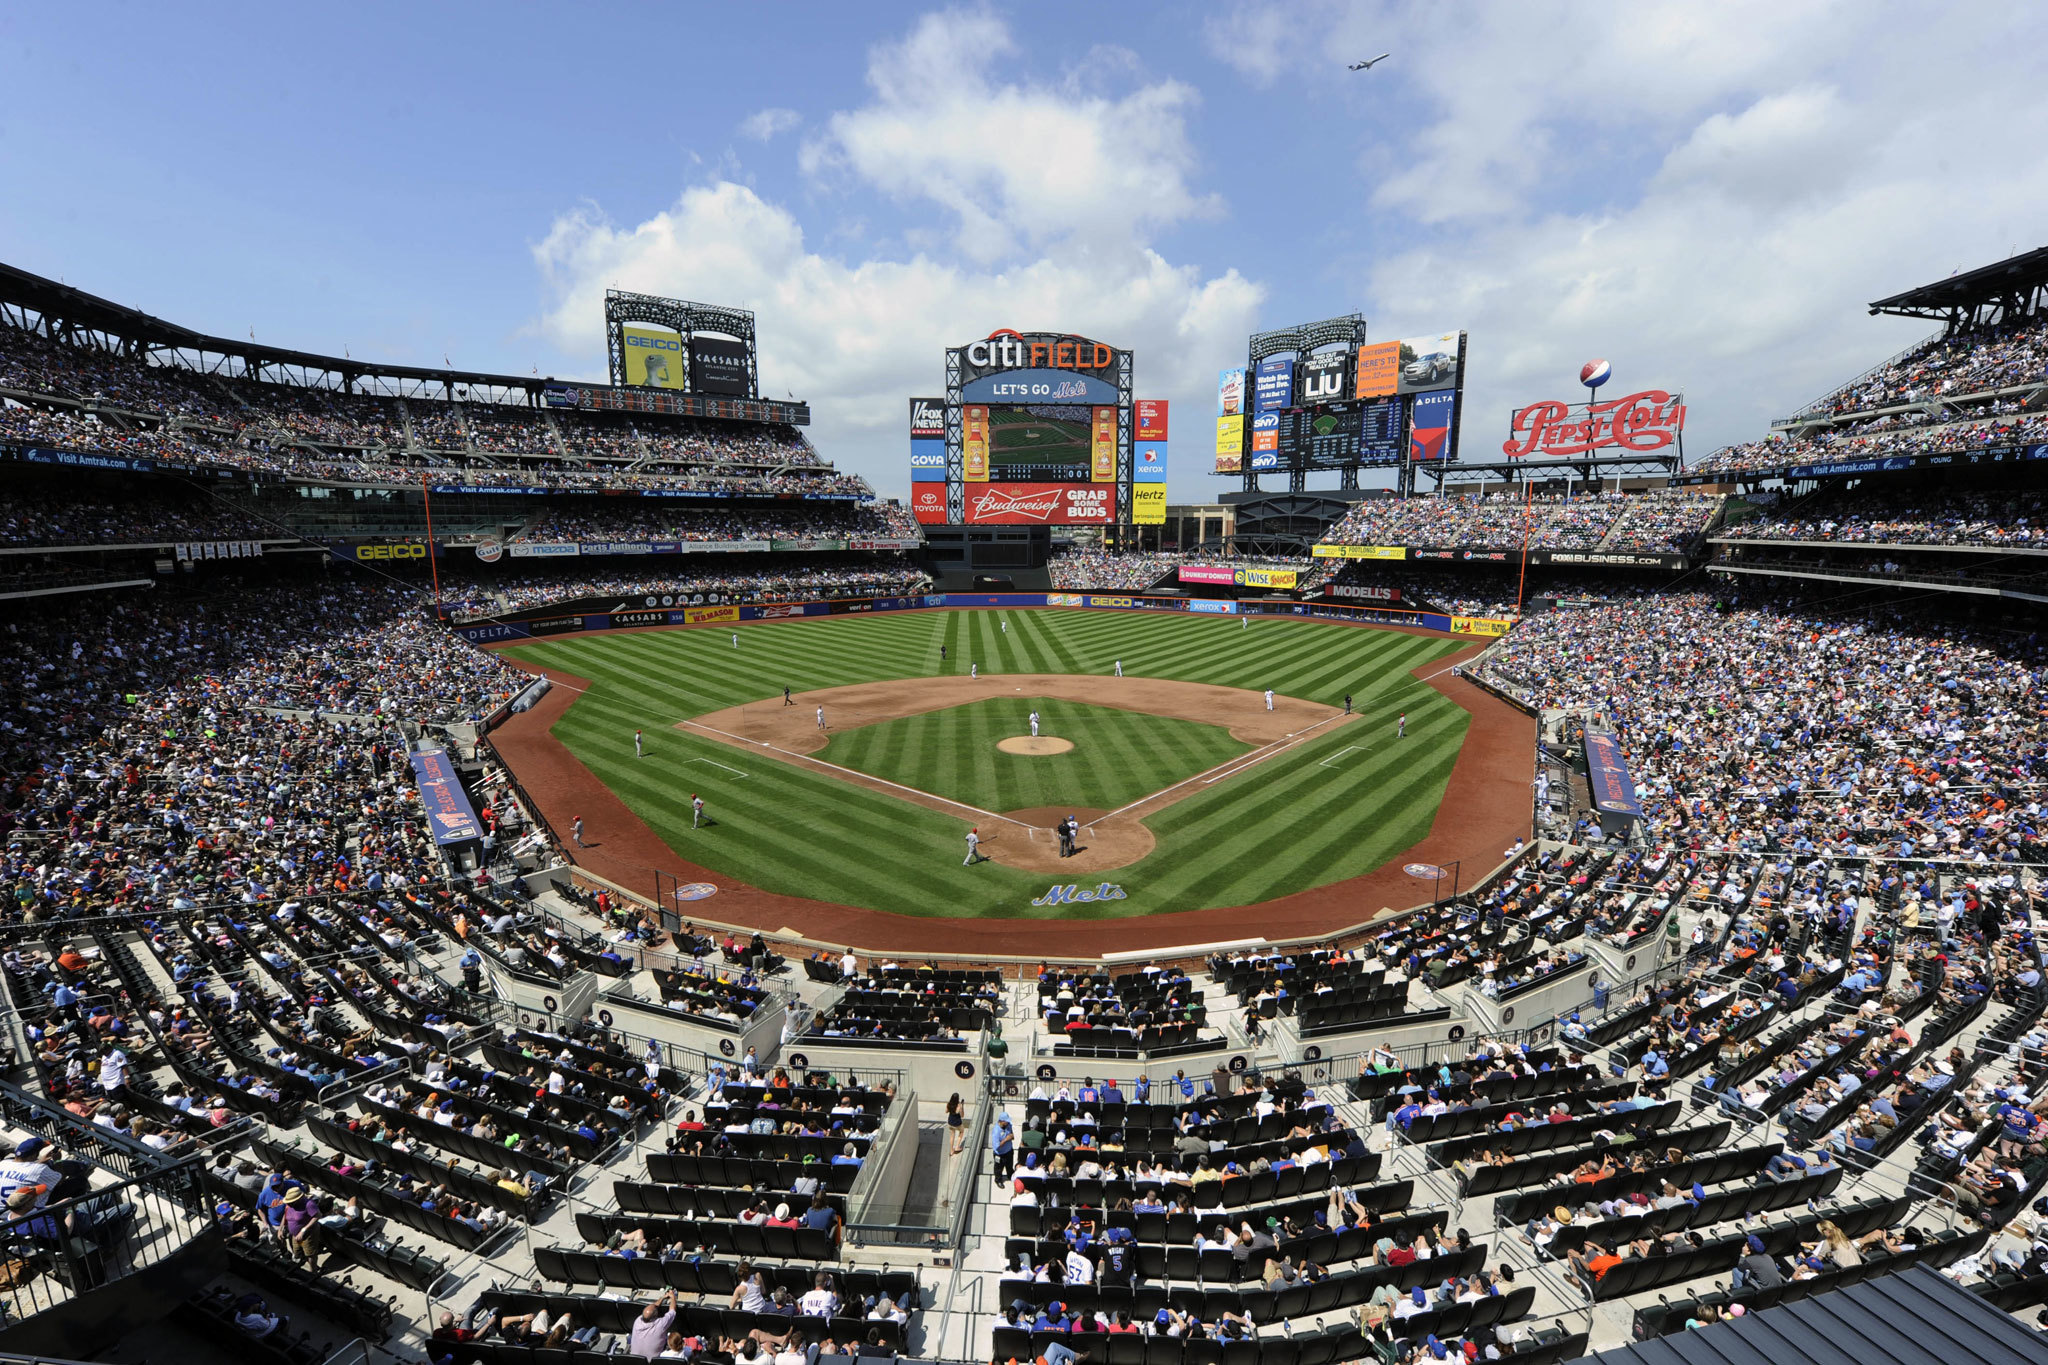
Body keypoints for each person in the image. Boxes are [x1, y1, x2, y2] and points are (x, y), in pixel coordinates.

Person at [630, 1290, 678, 1360]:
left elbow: (653, 1308)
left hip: (636, 1360)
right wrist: (673, 1297)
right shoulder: (660, 1324)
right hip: (653, 1361)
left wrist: (662, 1298)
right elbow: (672, 1311)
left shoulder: (638, 1320)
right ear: (656, 1315)